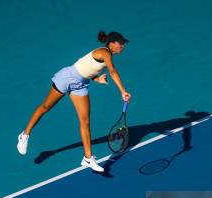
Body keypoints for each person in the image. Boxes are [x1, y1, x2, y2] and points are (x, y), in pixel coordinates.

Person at [17, 31, 131, 172]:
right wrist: (122, 91)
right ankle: (25, 135)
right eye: (121, 43)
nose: (123, 46)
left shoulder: (104, 54)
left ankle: (87, 158)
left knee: (85, 121)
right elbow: (112, 71)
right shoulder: (105, 52)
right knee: (45, 107)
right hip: (67, 78)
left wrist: (96, 78)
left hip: (81, 84)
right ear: (112, 43)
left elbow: (85, 66)